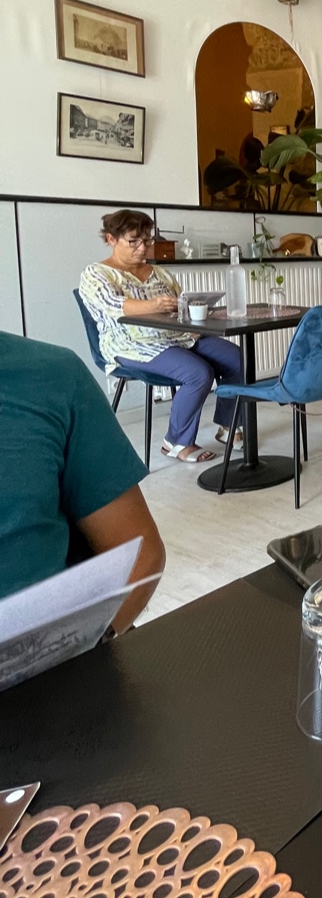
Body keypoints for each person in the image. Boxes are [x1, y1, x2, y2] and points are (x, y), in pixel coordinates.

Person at [0, 330, 165, 631]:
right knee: (196, 373)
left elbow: (142, 550)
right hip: (135, 349)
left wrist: (87, 643)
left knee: (206, 369)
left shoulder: (52, 377)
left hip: (51, 652)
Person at [78, 208, 244, 465]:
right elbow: (113, 305)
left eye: (146, 241)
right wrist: (154, 305)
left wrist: (193, 311)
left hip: (178, 336)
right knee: (197, 373)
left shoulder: (159, 273)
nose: (142, 248)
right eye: (133, 241)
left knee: (236, 357)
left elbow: (179, 304)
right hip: (131, 344)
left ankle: (228, 425)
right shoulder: (96, 274)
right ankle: (176, 442)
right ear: (111, 239)